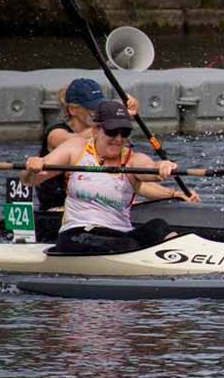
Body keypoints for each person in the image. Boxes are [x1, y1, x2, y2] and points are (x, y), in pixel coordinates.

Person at [22, 101, 181, 254]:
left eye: (124, 132)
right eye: (111, 131)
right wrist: (32, 169)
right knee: (128, 245)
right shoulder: (76, 148)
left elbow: (150, 169)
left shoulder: (132, 159)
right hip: (76, 234)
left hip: (120, 233)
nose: (118, 139)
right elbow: (29, 180)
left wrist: (161, 167)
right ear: (95, 130)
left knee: (158, 226)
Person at [36, 78, 198, 210]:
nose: (98, 111)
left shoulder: (106, 142)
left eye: (100, 106)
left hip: (96, 204)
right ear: (72, 110)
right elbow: (75, 141)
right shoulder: (56, 134)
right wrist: (116, 115)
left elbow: (133, 182)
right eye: (93, 108)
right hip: (58, 210)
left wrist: (173, 194)